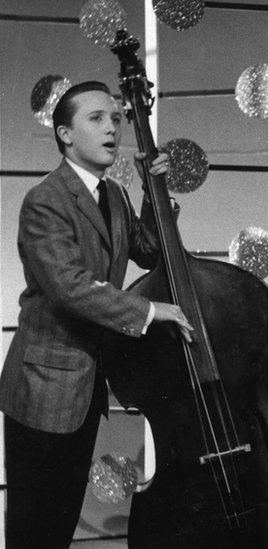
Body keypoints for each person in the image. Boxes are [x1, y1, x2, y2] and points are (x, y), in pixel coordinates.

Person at [0, 80, 194, 548]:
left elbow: (150, 252)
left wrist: (154, 189)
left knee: (61, 519)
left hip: (84, 388)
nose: (112, 128)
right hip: (44, 386)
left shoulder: (114, 196)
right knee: (34, 526)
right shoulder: (46, 200)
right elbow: (69, 287)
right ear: (65, 134)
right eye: (96, 119)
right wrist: (149, 310)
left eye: (116, 119)